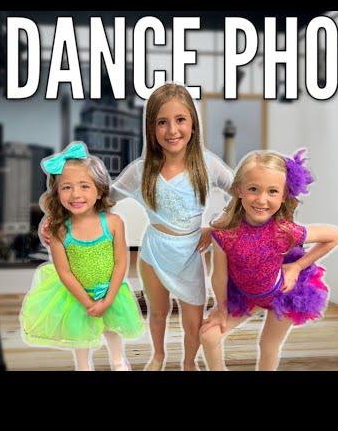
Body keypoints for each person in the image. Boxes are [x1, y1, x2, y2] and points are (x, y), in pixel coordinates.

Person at [42, 83, 234, 370]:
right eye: (162, 122)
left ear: (193, 124)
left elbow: (241, 193)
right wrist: (53, 216)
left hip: (190, 252)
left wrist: (216, 226)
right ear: (151, 128)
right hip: (154, 252)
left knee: (192, 318)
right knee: (157, 312)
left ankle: (189, 361)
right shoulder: (140, 170)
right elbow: (101, 198)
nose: (172, 130)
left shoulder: (207, 165)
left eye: (180, 120)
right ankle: (158, 355)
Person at [199, 149, 338, 371]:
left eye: (272, 191)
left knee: (268, 344)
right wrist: (221, 306)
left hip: (282, 292)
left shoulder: (284, 231)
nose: (262, 200)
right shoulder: (224, 233)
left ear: (284, 194)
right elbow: (219, 275)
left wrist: (296, 266)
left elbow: (334, 236)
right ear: (239, 190)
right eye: (253, 189)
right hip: (247, 295)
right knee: (208, 336)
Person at [20, 141, 144, 371]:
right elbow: (64, 272)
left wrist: (108, 299)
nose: (75, 194)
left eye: (84, 186)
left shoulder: (114, 223)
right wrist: (87, 302)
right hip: (76, 296)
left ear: (99, 191)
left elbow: (120, 262)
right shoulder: (59, 230)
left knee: (112, 327)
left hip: (111, 291)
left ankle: (118, 361)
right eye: (66, 187)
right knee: (80, 331)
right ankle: (84, 366)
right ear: (57, 194)